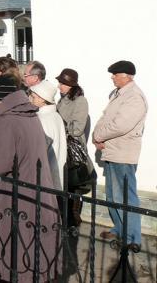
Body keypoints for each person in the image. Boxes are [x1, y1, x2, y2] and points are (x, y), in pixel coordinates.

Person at [0, 76, 60, 282]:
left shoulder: (8, 121)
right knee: (31, 253)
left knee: (19, 255)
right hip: (31, 193)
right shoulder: (26, 114)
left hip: (18, 200)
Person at [93, 60, 148, 251]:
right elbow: (106, 117)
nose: (112, 77)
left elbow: (121, 125)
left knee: (125, 197)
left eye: (115, 74)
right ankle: (120, 229)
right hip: (113, 152)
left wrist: (98, 135)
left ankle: (133, 238)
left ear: (126, 76)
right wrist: (96, 135)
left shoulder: (134, 97)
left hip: (123, 155)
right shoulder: (119, 94)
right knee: (113, 195)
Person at [56, 68, 92, 226]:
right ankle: (63, 215)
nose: (59, 86)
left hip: (72, 148)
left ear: (71, 85)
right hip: (60, 146)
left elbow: (77, 128)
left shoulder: (80, 101)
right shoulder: (61, 99)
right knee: (63, 181)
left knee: (74, 183)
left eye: (62, 83)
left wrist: (59, 126)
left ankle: (73, 217)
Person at [29, 80, 67, 191]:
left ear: (42, 99)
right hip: (54, 169)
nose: (30, 99)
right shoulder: (55, 116)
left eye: (33, 97)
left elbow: (38, 149)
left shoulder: (42, 119)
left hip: (44, 173)